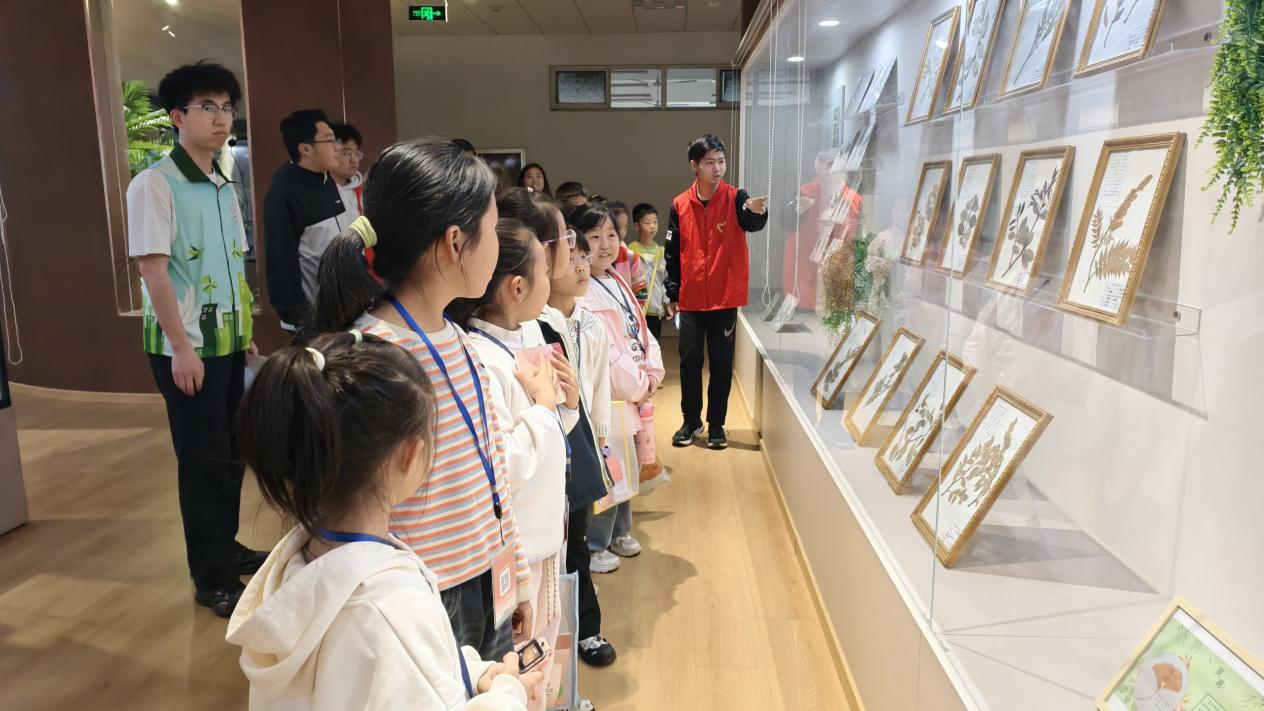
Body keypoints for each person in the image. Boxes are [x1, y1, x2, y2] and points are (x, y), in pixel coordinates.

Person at [304, 138, 535, 662]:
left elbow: (492, 474)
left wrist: (516, 573)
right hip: (423, 598)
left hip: (486, 577)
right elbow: (349, 505)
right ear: (455, 242)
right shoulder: (377, 354)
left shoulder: (459, 340)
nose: (497, 243)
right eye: (491, 228)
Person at [228, 332, 540, 710]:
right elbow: (398, 653)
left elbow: (400, 672)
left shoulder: (297, 567)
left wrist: (470, 674)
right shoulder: (388, 609)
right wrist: (508, 693)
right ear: (409, 456)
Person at [127, 61, 264, 618]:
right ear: (177, 116)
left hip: (228, 341)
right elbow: (152, 270)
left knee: (232, 454)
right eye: (207, 106)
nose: (221, 117)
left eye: (226, 107)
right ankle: (211, 576)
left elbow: (234, 263)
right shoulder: (155, 184)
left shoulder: (223, 183)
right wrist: (182, 347)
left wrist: (245, 333)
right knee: (202, 460)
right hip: (185, 348)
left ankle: (224, 547)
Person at [453, 218, 578, 711]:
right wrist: (546, 409)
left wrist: (565, 406)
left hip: (542, 535)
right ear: (518, 286)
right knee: (525, 664)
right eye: (545, 269)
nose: (553, 276)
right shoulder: (483, 359)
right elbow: (505, 462)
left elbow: (545, 439)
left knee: (543, 653)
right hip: (519, 546)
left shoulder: (519, 340)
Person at [538, 233, 617, 675]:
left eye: (584, 257)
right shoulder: (541, 323)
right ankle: (554, 636)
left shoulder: (591, 323)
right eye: (571, 258)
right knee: (554, 545)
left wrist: (600, 441)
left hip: (580, 438)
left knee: (579, 541)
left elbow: (599, 389)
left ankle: (587, 626)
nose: (582, 265)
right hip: (550, 440)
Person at [575, 204, 666, 574]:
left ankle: (619, 531)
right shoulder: (583, 292)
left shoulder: (616, 278)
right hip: (611, 396)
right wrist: (639, 383)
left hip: (631, 390)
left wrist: (652, 371)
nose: (604, 244)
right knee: (609, 470)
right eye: (594, 236)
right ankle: (595, 543)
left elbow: (640, 329)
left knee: (626, 463)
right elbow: (607, 355)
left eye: (611, 235)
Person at [665, 134, 768, 451]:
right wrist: (673, 293)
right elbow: (672, 252)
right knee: (689, 363)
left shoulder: (737, 197)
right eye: (709, 162)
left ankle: (716, 425)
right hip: (691, 299)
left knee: (722, 366)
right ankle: (691, 421)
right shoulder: (680, 204)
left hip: (724, 298)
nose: (717, 168)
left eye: (721, 161)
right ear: (694, 165)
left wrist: (757, 212)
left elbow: (750, 222)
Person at [262, 109, 345, 332]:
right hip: (312, 322)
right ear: (306, 149)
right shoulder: (283, 194)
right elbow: (280, 265)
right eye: (330, 140)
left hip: (342, 312)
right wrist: (302, 321)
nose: (338, 147)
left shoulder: (326, 179)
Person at [628, 203, 667, 339]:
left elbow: (665, 281)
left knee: (654, 345)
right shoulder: (630, 250)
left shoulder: (661, 252)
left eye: (655, 222)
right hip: (635, 309)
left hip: (655, 310)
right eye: (647, 222)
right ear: (637, 226)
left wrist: (667, 302)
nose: (652, 226)